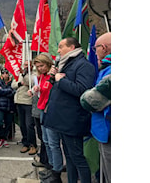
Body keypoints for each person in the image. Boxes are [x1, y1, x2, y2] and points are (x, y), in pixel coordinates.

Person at [43, 37, 96, 183]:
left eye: (61, 47)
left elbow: (83, 90)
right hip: (63, 120)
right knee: (70, 157)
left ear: (71, 47)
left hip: (72, 120)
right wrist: (54, 78)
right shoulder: (66, 64)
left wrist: (61, 80)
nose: (58, 50)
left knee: (77, 157)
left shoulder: (83, 65)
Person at [81, 32, 111, 183]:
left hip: (108, 131)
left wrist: (87, 95)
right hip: (103, 130)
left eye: (95, 48)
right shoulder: (106, 67)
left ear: (104, 48)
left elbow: (90, 100)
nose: (94, 52)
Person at [29, 54, 56, 180]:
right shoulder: (42, 77)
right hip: (42, 110)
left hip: (49, 111)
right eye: (38, 66)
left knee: (52, 143)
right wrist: (35, 89)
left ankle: (55, 170)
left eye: (42, 65)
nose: (40, 68)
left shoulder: (53, 76)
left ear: (48, 64)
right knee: (46, 141)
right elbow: (42, 90)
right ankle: (50, 167)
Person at [12, 61, 37, 155]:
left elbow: (31, 82)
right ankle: (25, 143)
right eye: (24, 64)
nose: (25, 66)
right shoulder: (19, 74)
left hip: (28, 102)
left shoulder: (33, 74)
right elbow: (13, 85)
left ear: (31, 66)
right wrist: (20, 82)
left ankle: (33, 145)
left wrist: (25, 77)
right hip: (19, 101)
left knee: (29, 125)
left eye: (27, 65)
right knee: (22, 124)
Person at [0, 69, 15, 148]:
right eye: (3, 73)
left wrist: (4, 92)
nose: (5, 75)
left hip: (10, 105)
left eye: (7, 73)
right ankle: (1, 137)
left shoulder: (12, 82)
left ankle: (5, 138)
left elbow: (13, 92)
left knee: (8, 123)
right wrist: (8, 91)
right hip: (0, 105)